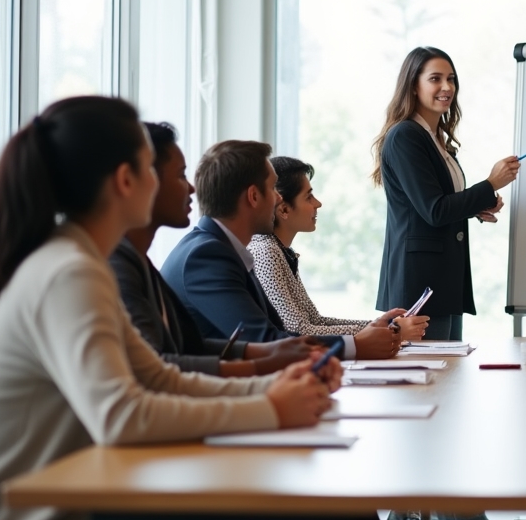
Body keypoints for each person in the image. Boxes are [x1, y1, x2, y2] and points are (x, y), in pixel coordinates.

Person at [0, 97, 507, 520]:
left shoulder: (76, 261)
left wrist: (266, 381)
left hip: (63, 513)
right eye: (166, 169)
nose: (184, 185)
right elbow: (123, 413)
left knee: (318, 517)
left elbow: (158, 376)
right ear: (126, 179)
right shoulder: (71, 271)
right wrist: (268, 404)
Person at [112, 123, 387, 520]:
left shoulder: (141, 261)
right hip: (149, 475)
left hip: (171, 453)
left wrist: (271, 359)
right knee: (321, 516)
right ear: (127, 182)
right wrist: (266, 390)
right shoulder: (188, 255)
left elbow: (206, 354)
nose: (189, 188)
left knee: (334, 504)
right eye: (174, 175)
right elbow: (154, 378)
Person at [372, 46, 521, 520]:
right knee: (426, 402)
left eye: (452, 79)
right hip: (419, 288)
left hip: (443, 283)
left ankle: (461, 517)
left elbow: (436, 209)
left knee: (444, 401)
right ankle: (405, 512)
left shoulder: (435, 138)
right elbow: (433, 210)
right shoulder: (405, 137)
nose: (446, 88)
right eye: (436, 78)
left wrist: (476, 206)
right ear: (412, 82)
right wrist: (488, 186)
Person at [112, 124, 322, 377]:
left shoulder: (146, 257)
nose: (191, 189)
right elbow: (157, 369)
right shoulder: (205, 255)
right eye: (180, 175)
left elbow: (189, 347)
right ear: (127, 181)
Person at [161, 140, 400, 361]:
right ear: (254, 196)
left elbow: (276, 333)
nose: (278, 199)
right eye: (273, 188)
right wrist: (355, 345)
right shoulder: (206, 257)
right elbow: (264, 342)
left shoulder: (222, 249)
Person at [250, 154, 430, 343]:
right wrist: (391, 331)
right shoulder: (265, 251)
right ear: (284, 209)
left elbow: (315, 321)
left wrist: (380, 325)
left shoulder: (281, 251)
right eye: (309, 197)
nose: (318, 203)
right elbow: (297, 329)